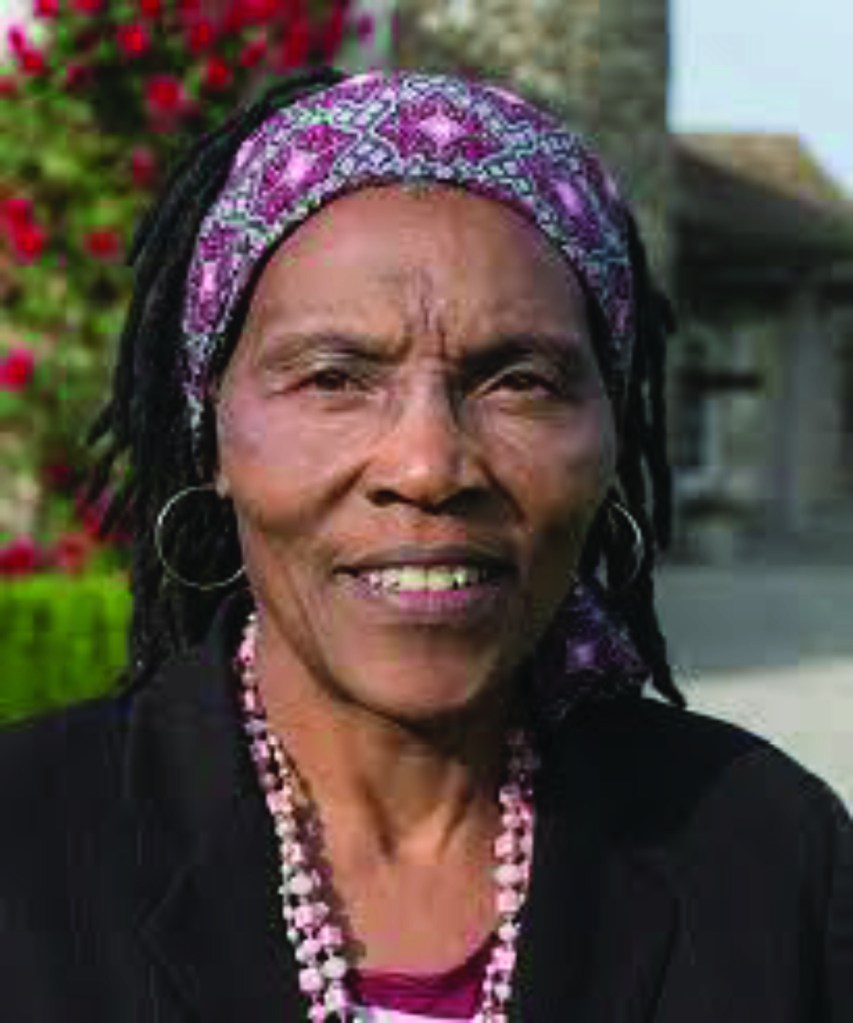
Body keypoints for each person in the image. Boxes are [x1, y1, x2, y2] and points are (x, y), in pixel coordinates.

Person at [1, 66, 850, 1023]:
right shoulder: (27, 849)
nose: (427, 464)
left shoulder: (769, 856)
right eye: (332, 377)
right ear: (213, 436)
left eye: (519, 380)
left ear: (609, 433)